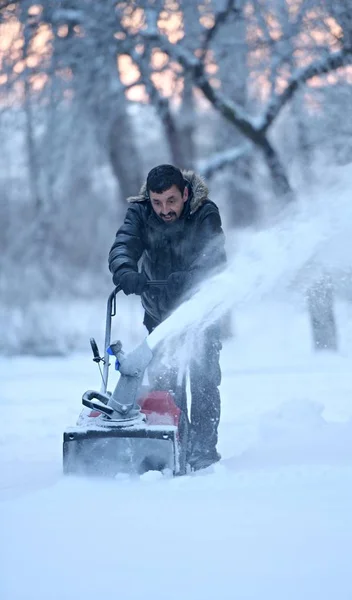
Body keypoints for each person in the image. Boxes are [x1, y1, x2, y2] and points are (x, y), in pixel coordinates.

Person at [108, 164, 226, 470]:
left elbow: (213, 258)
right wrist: (125, 271)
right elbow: (124, 244)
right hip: (159, 316)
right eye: (158, 203)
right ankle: (172, 447)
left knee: (203, 383)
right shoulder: (140, 213)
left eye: (171, 201)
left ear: (185, 194)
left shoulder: (204, 213)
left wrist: (188, 278)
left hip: (201, 315)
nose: (165, 210)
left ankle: (202, 454)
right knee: (164, 387)